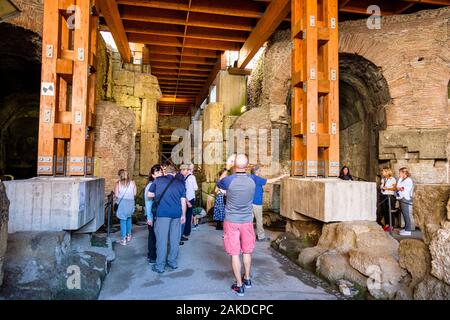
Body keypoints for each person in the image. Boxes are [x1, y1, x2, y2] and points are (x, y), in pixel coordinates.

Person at [217, 154, 256, 297]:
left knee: (235, 253)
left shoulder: (228, 180)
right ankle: (248, 278)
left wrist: (227, 168)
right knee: (247, 251)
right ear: (247, 165)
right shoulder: (253, 180)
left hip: (232, 220)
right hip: (247, 220)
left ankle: (239, 285)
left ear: (234, 164)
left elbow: (219, 182)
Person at [148, 165, 187, 273]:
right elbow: (183, 201)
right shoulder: (180, 183)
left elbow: (149, 194)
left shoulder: (158, 181)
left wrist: (158, 195)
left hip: (163, 214)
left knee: (162, 240)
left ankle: (160, 266)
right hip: (176, 214)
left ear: (166, 173)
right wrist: (183, 215)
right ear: (174, 173)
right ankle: (172, 262)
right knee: (175, 239)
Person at [250, 165, 289, 242]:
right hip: (256, 203)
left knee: (249, 221)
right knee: (259, 220)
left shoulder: (249, 177)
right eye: (260, 170)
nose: (260, 172)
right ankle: (261, 236)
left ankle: (249, 236)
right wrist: (282, 176)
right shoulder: (257, 178)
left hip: (249, 202)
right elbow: (270, 181)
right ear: (257, 171)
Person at [144, 164, 163, 264]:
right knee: (152, 236)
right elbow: (148, 203)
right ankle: (152, 256)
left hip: (157, 214)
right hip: (152, 214)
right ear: (153, 175)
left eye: (161, 172)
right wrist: (149, 217)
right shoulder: (150, 185)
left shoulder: (157, 184)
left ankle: (153, 254)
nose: (160, 173)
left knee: (156, 235)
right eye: (157, 172)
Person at [114, 169, 137, 246]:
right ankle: (129, 235)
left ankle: (123, 239)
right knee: (129, 218)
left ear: (120, 176)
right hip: (130, 203)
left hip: (122, 203)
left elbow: (116, 195)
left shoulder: (118, 183)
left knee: (123, 221)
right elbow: (135, 193)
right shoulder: (133, 183)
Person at [179, 163, 199, 241]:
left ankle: (181, 232)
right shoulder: (192, 177)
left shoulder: (181, 177)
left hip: (183, 198)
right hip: (190, 199)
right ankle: (186, 233)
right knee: (188, 216)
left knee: (182, 215)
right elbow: (196, 188)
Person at [396, 167, 414, 236]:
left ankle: (408, 230)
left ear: (404, 173)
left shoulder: (408, 180)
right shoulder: (403, 179)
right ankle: (406, 229)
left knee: (406, 214)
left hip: (405, 198)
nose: (399, 174)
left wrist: (399, 188)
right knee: (403, 214)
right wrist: (400, 178)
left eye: (400, 172)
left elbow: (402, 188)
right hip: (401, 197)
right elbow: (398, 187)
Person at [380, 167, 397, 232]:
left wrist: (387, 189)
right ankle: (387, 224)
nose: (382, 172)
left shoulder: (393, 179)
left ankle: (391, 225)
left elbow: (394, 188)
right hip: (383, 196)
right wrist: (382, 188)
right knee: (385, 211)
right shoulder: (383, 179)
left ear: (387, 172)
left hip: (390, 196)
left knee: (390, 210)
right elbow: (381, 186)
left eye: (383, 171)